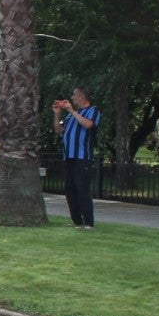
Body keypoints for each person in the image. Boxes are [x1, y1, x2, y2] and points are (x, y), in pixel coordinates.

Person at [54, 87, 101, 229]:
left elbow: (88, 124)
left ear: (82, 96)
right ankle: (77, 221)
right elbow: (58, 130)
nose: (72, 98)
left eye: (74, 95)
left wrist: (72, 111)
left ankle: (88, 222)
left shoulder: (93, 110)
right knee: (70, 190)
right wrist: (57, 115)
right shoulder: (70, 116)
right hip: (68, 157)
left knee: (82, 189)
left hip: (82, 157)